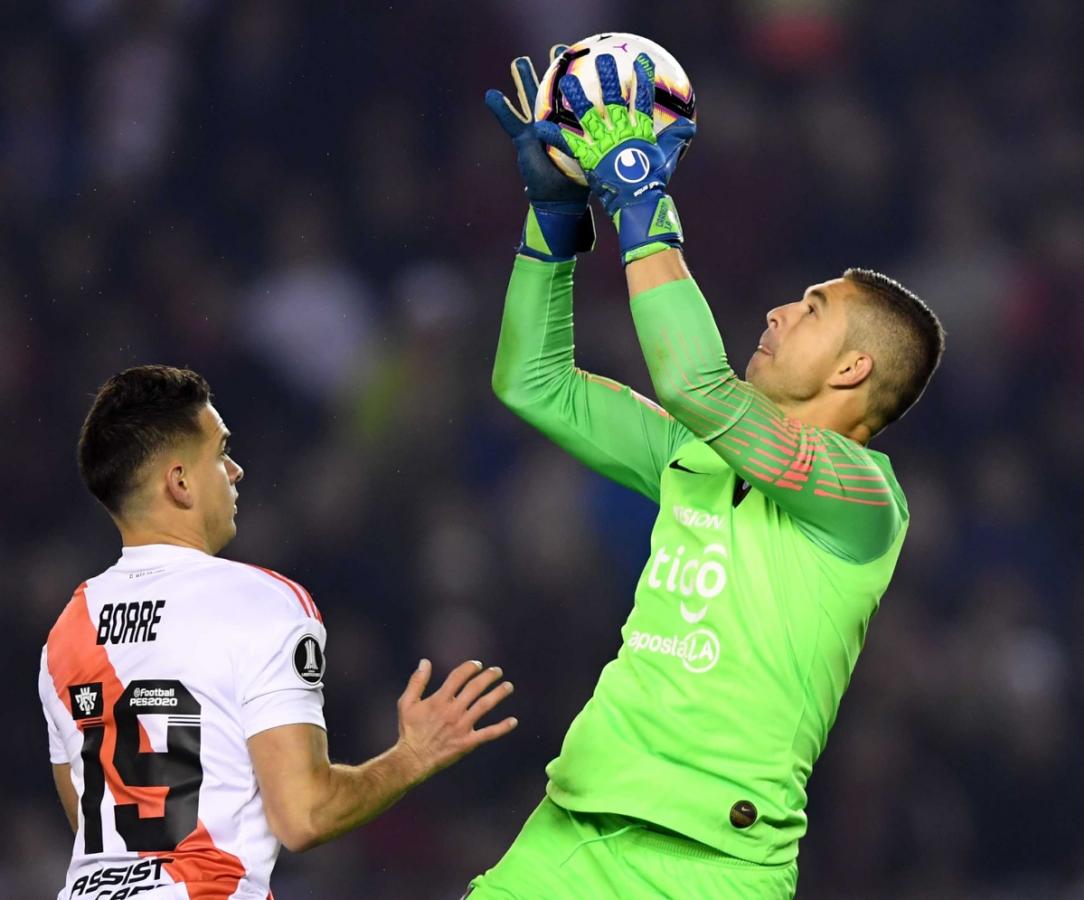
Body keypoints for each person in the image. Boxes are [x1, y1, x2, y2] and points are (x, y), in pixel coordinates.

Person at [469, 47, 945, 899]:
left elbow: (695, 382)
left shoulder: (864, 504)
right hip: (567, 831)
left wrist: (640, 197)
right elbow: (531, 382)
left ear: (851, 373)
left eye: (811, 311)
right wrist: (553, 222)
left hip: (709, 868)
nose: (777, 310)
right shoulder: (693, 455)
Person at [39, 364, 518, 899]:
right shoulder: (261, 602)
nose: (236, 470)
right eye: (220, 453)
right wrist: (413, 756)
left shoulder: (66, 632)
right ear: (178, 481)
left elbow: (92, 823)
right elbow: (305, 815)